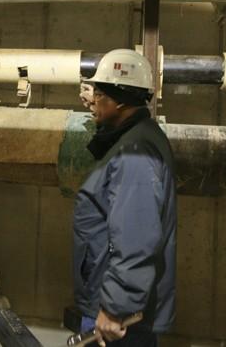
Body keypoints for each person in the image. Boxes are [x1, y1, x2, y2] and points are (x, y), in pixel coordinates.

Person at [73, 48, 176, 347]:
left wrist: (115, 308)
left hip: (118, 315)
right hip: (112, 298)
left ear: (117, 100)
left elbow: (136, 238)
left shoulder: (135, 154)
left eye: (99, 95)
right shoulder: (135, 139)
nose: (92, 102)